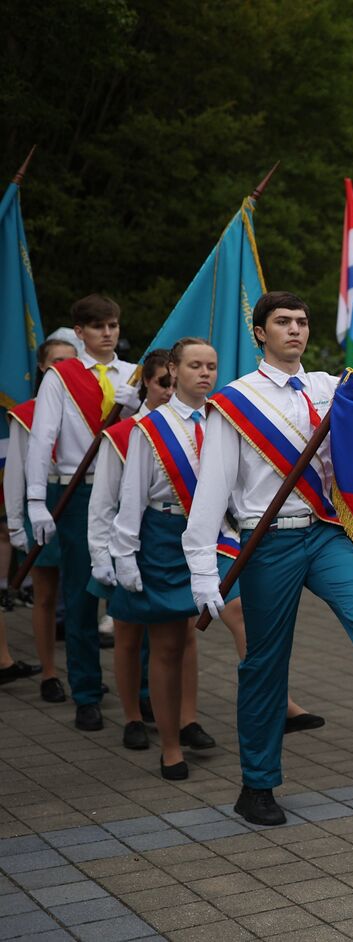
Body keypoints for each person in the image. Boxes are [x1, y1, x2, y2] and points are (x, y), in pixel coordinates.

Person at [183, 291, 353, 826]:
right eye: (282, 322)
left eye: (302, 322)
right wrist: (202, 570)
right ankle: (256, 785)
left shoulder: (331, 387)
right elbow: (211, 491)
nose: (295, 330)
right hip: (267, 540)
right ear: (260, 333)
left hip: (325, 534)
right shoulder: (234, 403)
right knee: (265, 663)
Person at [109, 338, 227, 779]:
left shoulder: (221, 420)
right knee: (166, 645)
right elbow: (132, 496)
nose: (205, 374)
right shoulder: (150, 428)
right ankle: (171, 747)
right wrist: (124, 554)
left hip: (211, 535)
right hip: (162, 536)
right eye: (195, 365)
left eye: (211, 366)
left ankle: (187, 720)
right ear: (173, 370)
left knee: (191, 638)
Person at [26, 295, 141, 731]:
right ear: (80, 332)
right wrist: (37, 500)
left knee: (135, 594)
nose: (108, 333)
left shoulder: (134, 375)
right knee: (81, 597)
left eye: (112, 325)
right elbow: (42, 438)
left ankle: (143, 692)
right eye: (97, 327)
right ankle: (87, 694)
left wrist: (136, 406)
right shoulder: (61, 376)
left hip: (129, 492)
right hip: (79, 493)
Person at [89, 351, 173, 749]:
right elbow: (103, 503)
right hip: (127, 544)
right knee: (128, 637)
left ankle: (170, 711)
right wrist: (102, 557)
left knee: (174, 639)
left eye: (175, 382)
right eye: (162, 383)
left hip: (167, 544)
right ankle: (132, 717)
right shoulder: (124, 434)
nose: (170, 391)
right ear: (145, 386)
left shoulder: (193, 428)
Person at [6, 339, 78, 702]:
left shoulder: (89, 408)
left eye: (71, 361)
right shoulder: (27, 414)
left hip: (77, 497)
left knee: (81, 595)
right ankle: (50, 673)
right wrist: (17, 523)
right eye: (57, 362)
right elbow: (16, 470)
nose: (65, 368)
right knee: (47, 593)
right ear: (43, 368)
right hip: (46, 497)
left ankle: (84, 673)